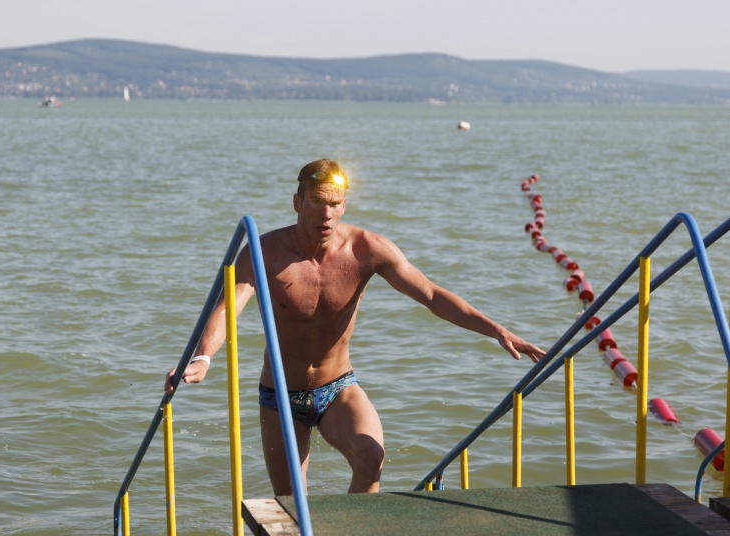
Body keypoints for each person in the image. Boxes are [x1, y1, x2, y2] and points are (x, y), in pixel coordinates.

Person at [165, 158, 545, 496]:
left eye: (334, 204)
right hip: (281, 395)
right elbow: (228, 307)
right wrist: (204, 357)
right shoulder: (264, 252)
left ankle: (349, 535)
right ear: (298, 202)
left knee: (371, 456)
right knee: (291, 504)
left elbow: (431, 294)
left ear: (344, 205)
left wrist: (496, 330)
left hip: (338, 387)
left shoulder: (367, 249)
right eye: (317, 202)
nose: (326, 214)